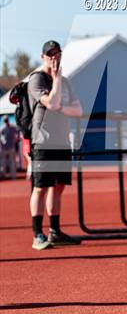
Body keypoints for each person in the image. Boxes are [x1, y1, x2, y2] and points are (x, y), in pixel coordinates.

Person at [28, 40, 83, 250]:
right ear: (43, 57)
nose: (54, 57)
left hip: (62, 141)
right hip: (43, 141)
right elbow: (50, 103)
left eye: (57, 53)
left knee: (58, 187)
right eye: (50, 54)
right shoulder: (37, 79)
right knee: (40, 187)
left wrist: (59, 105)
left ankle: (54, 231)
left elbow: (78, 110)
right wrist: (56, 83)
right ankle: (37, 234)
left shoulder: (66, 82)